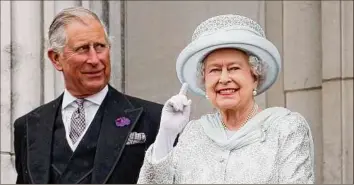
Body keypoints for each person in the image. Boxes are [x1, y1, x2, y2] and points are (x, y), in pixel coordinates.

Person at [137, 14, 315, 184]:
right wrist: (166, 136)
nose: (223, 79)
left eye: (234, 68)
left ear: (255, 77)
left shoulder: (285, 129)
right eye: (214, 70)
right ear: (204, 81)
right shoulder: (193, 134)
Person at [13, 7, 163, 184]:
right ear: (56, 58)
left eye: (100, 47)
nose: (94, 60)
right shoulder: (28, 126)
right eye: (83, 49)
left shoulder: (155, 119)